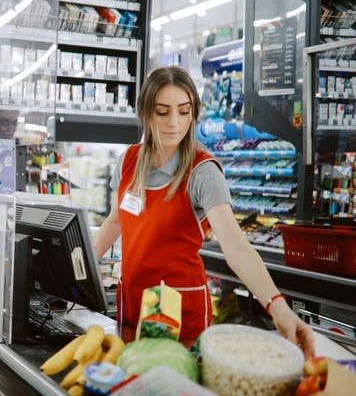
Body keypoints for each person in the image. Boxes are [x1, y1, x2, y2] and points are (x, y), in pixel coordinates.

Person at [93, 66, 315, 358]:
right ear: (146, 112)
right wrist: (78, 266)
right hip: (133, 304)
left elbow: (236, 247)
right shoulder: (128, 161)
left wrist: (276, 305)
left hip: (179, 315)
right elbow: (114, 221)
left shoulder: (203, 171)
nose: (174, 122)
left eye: (184, 111)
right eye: (163, 112)